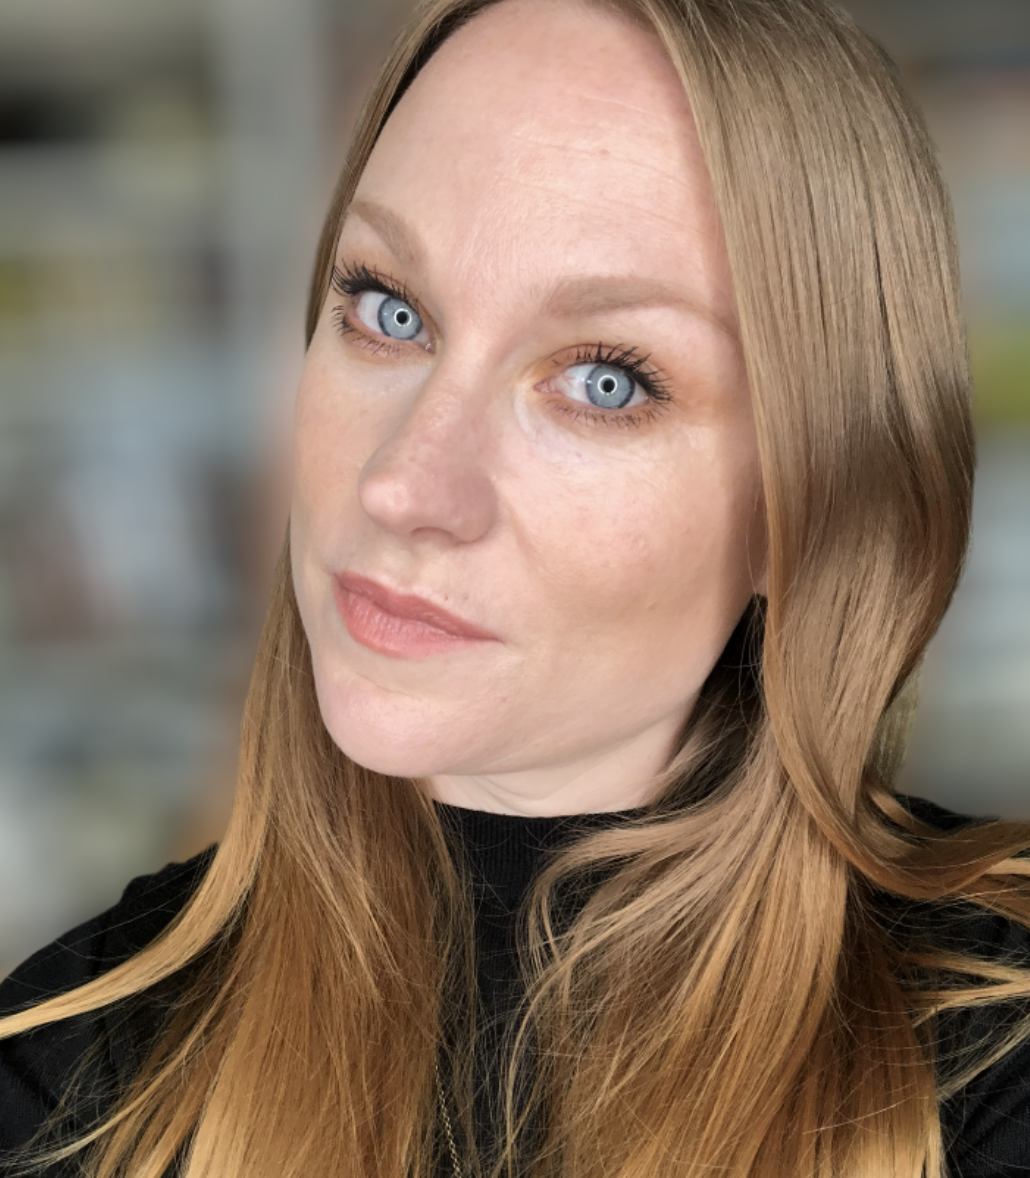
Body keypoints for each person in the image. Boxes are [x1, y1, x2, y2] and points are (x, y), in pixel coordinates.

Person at [3, 0, 1030, 1175]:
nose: (404, 483)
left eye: (602, 381)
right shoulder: (65, 1076)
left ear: (813, 503)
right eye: (389, 311)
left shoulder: (992, 1063)